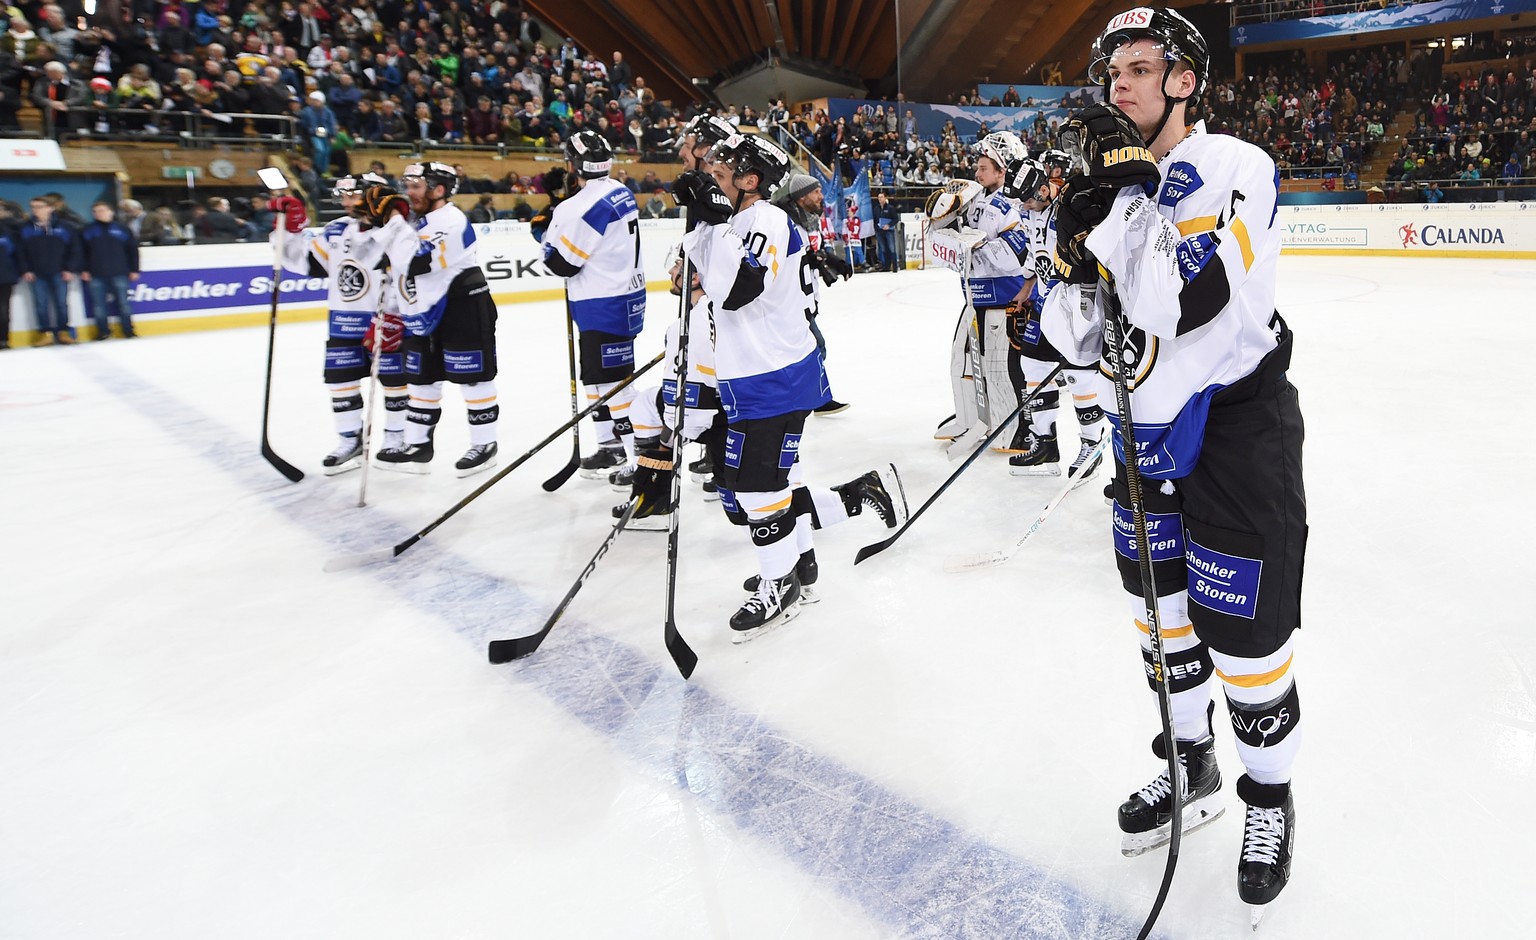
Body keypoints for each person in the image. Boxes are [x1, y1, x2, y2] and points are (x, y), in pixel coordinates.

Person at [1042, 8, 1305, 923]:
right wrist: (1075, 255)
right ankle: (1189, 762)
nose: (1120, 83)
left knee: (1244, 641)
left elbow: (1192, 302)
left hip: (1235, 430)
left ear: (1186, 80)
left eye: (1142, 67)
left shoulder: (1237, 167)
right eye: (1112, 70)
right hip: (1140, 436)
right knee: (1160, 620)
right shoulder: (1099, 189)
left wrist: (1121, 213)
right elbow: (1068, 341)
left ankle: (1267, 801)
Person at [675, 134, 900, 639]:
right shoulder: (736, 220)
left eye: (722, 169)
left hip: (773, 375)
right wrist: (700, 222)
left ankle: (780, 584)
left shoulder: (767, 220)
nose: (712, 171)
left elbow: (737, 291)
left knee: (756, 489)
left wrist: (711, 221)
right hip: (748, 373)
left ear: (750, 181)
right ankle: (801, 565)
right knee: (760, 487)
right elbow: (694, 281)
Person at [368, 162, 502, 476]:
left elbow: (416, 262)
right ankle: (418, 444)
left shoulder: (451, 220)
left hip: (461, 305)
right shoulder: (417, 219)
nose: (408, 193)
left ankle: (485, 444)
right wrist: (377, 219)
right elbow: (378, 259)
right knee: (422, 377)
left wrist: (396, 220)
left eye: (415, 186)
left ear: (438, 190)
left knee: (473, 375)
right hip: (419, 309)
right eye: (407, 185)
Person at [273, 174, 409, 474]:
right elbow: (306, 265)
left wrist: (398, 315)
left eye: (353, 195)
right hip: (344, 320)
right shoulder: (336, 230)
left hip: (386, 319)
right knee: (340, 382)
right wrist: (290, 230)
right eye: (342, 196)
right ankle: (350, 440)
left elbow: (409, 276)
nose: (346, 202)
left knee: (394, 382)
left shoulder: (397, 229)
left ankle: (397, 439)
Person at [536, 130, 647, 480]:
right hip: (622, 297)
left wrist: (544, 232)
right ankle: (610, 446)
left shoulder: (575, 209)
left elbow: (561, 264)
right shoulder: (620, 190)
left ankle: (637, 459)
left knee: (615, 383)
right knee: (597, 378)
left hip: (602, 303)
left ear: (572, 164)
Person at [925, 131, 1033, 458]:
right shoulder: (972, 201)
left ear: (1002, 170)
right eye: (978, 165)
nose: (977, 171)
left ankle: (1012, 430)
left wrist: (979, 245)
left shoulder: (1011, 207)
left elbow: (1018, 256)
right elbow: (946, 241)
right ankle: (969, 419)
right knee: (962, 361)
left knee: (999, 368)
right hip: (973, 300)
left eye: (984, 167)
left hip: (1003, 302)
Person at [770, 173, 851, 413]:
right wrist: (812, 259)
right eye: (816, 192)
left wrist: (832, 261)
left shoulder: (808, 220)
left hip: (806, 298)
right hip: (791, 302)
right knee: (816, 346)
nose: (821, 196)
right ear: (802, 196)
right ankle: (809, 400)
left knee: (812, 347)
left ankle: (811, 399)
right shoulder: (786, 223)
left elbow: (815, 250)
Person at [19, 195, 80, 345]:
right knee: (40, 304)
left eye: (39, 207)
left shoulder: (65, 227)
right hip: (36, 273)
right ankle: (44, 333)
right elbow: (21, 252)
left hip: (60, 272)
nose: (35, 210)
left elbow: (75, 249)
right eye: (33, 207)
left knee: (61, 303)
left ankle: (64, 331)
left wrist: (69, 268)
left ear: (50, 208)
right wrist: (26, 269)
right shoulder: (26, 228)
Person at [79, 201, 140, 340]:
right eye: (95, 211)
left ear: (111, 212)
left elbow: (132, 250)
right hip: (95, 274)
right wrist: (84, 269)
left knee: (124, 304)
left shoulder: (122, 229)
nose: (98, 213)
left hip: (119, 272)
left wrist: (134, 269)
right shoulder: (87, 230)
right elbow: (81, 252)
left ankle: (128, 330)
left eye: (102, 210)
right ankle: (103, 331)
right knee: (99, 306)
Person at [300, 90, 338, 177]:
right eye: (313, 100)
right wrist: (312, 130)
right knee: (320, 150)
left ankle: (324, 170)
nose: (314, 102)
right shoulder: (307, 111)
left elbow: (332, 124)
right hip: (314, 134)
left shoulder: (328, 112)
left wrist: (332, 135)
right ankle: (317, 169)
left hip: (326, 134)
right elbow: (305, 124)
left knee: (326, 152)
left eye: (316, 100)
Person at [0, 202, 20, 349]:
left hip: (5, 276)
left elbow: (18, 253)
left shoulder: (11, 230)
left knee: (3, 310)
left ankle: (3, 339)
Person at [873, 190, 900, 273]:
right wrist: (876, 228)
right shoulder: (876, 208)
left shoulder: (890, 208)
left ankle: (895, 266)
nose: (880, 199)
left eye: (881, 197)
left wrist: (889, 225)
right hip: (879, 231)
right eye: (879, 197)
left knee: (892, 248)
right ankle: (886, 266)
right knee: (884, 249)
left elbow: (896, 219)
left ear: (885, 198)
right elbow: (875, 220)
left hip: (889, 231)